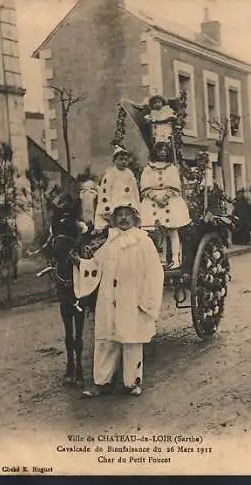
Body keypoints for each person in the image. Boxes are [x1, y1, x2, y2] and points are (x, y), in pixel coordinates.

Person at [82, 203, 164, 397]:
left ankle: (132, 382)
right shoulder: (109, 242)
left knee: (131, 340)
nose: (124, 219)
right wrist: (80, 262)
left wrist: (146, 301)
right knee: (106, 339)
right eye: (120, 215)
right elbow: (96, 265)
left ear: (135, 219)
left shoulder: (143, 242)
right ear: (114, 219)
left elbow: (154, 273)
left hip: (132, 299)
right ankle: (102, 382)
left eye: (128, 215)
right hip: (110, 298)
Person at [140, 141, 190, 269]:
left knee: (172, 231)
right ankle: (161, 260)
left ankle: (175, 259)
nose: (162, 153)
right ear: (155, 152)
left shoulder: (172, 168)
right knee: (158, 231)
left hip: (170, 202)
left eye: (165, 150)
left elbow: (175, 185)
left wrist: (165, 197)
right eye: (160, 150)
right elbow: (144, 186)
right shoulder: (148, 169)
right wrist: (156, 197)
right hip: (153, 202)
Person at [94, 145, 140, 231]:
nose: (123, 162)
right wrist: (107, 209)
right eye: (121, 159)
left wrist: (136, 206)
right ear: (115, 161)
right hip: (114, 205)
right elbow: (105, 192)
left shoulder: (130, 174)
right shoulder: (110, 173)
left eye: (126, 160)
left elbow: (135, 192)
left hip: (128, 206)